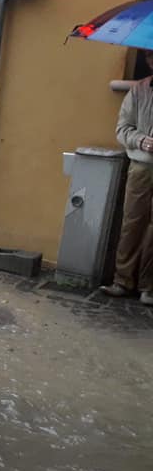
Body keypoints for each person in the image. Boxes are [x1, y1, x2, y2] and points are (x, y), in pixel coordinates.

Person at [101, 49, 153, 303]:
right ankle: (123, 281)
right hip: (142, 166)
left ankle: (148, 286)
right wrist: (142, 141)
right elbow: (122, 128)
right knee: (133, 223)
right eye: (150, 56)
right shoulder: (140, 91)